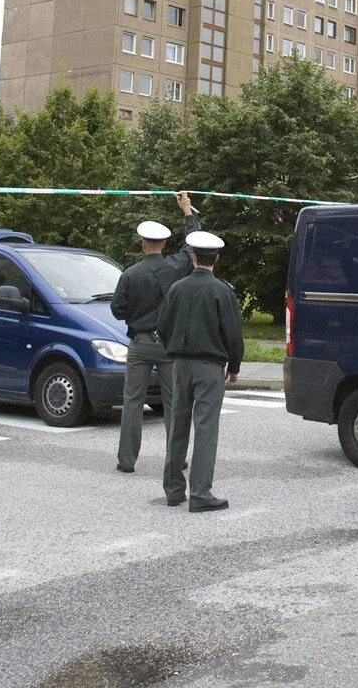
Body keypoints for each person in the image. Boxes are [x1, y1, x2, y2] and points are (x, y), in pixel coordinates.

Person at [109, 191, 199, 474]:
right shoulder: (175, 266)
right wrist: (187, 212)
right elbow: (192, 245)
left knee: (133, 402)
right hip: (169, 346)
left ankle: (127, 461)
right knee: (174, 404)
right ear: (163, 244)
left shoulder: (130, 274)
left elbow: (116, 309)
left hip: (139, 343)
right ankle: (177, 458)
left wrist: (136, 315)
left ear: (142, 244)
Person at [159, 230, 244, 513]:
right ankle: (200, 492)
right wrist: (234, 366)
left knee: (177, 425)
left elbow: (163, 326)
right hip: (210, 366)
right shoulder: (223, 291)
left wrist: (174, 350)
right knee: (205, 428)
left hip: (180, 364)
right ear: (215, 258)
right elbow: (233, 334)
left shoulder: (176, 288)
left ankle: (173, 489)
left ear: (193, 257)